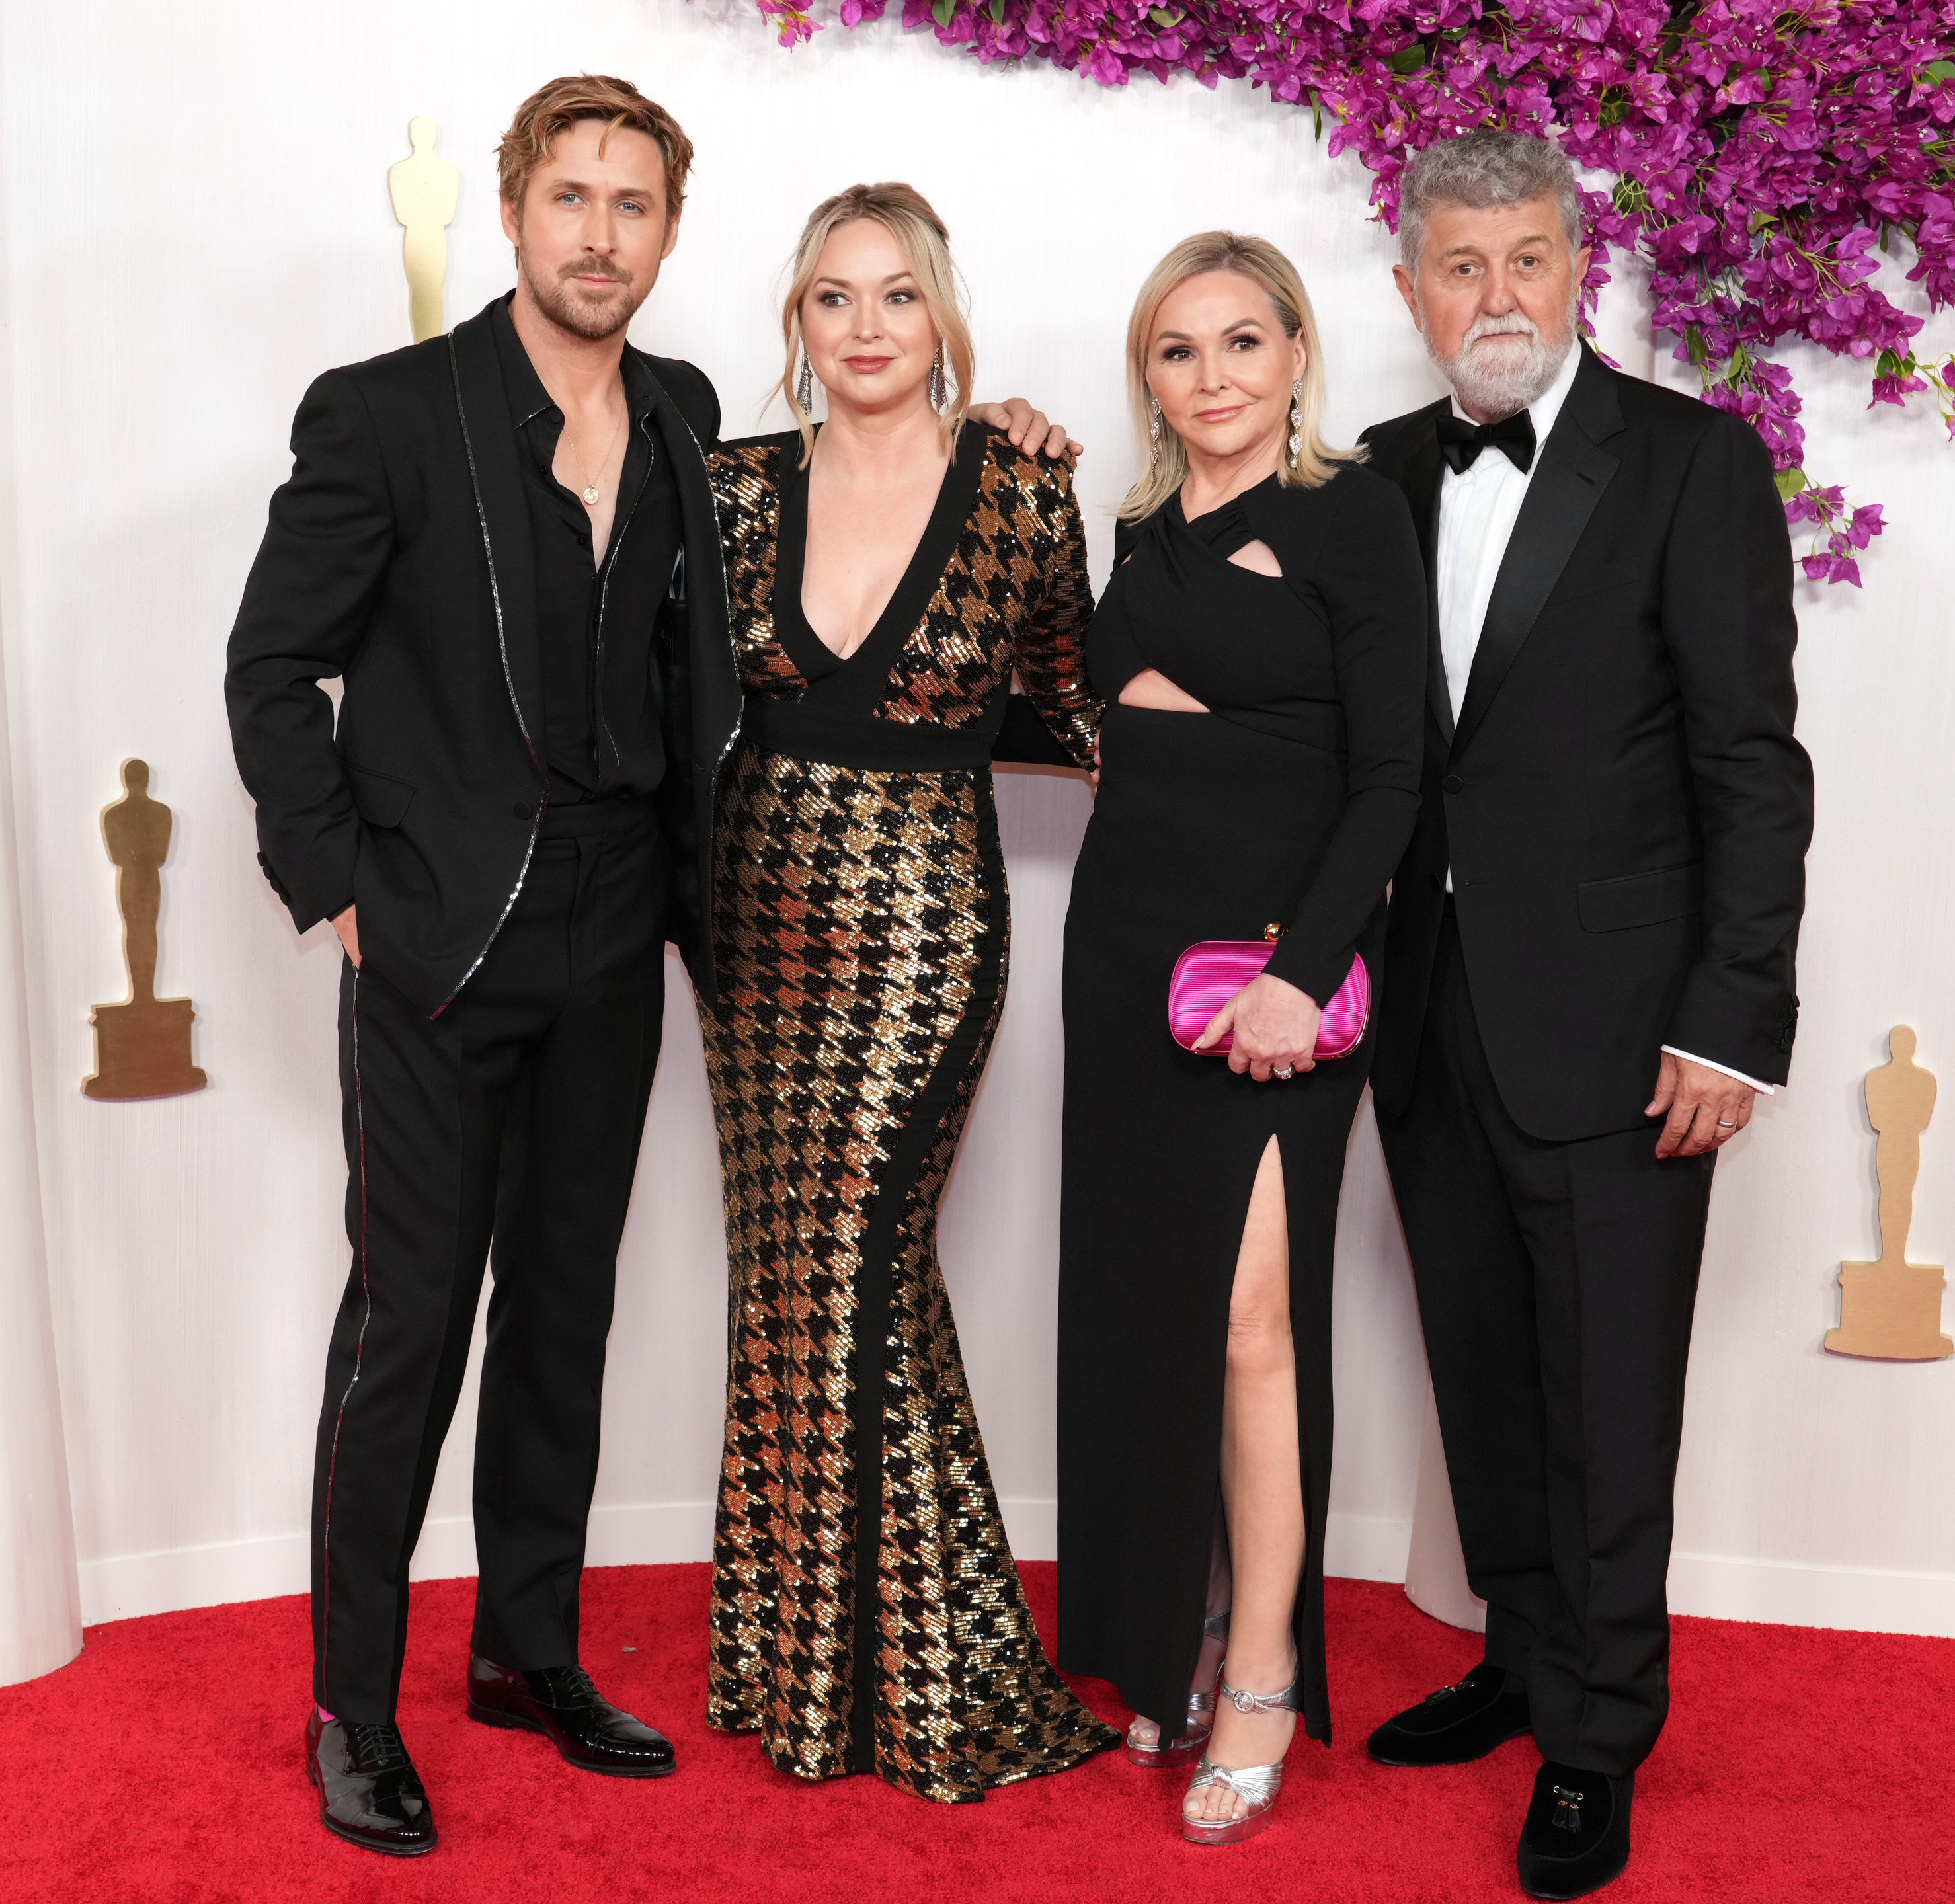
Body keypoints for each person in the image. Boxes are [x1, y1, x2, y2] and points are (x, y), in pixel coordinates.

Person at [223, 77, 1068, 1856]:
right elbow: (269, 670)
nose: (599, 233)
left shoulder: (691, 420)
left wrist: (997, 431)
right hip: (443, 943)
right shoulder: (388, 415)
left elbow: (867, 496)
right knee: (407, 1329)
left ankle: (525, 1647)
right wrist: (343, 896)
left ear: (668, 236)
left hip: (629, 934)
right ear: (519, 209)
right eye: (571, 196)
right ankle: (354, 1710)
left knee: (567, 1314)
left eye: (633, 206)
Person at [1357, 131, 1813, 1900]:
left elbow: (1748, 765)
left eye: (1527, 259)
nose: (1497, 297)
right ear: (1410, 293)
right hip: (1424, 1014)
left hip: (1628, 1028)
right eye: (1460, 266)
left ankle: (1599, 1736)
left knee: (1610, 1390)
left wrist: (1732, 1019)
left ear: (1578, 269)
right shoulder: (1377, 473)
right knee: (1484, 1364)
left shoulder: (1691, 464)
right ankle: (1523, 1654)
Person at [698, 182, 1117, 1804]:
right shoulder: (729, 488)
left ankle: (917, 1683)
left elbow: (1085, 713)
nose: (866, 329)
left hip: (928, 927)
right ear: (796, 324)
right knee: (791, 1281)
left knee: (860, 1262)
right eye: (832, 299)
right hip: (749, 933)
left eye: (897, 297)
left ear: (943, 316)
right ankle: (809, 1666)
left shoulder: (1021, 490)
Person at [1056, 232, 1431, 1844]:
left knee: (1253, 1329)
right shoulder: (1133, 527)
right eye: (1176, 351)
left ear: (1296, 356)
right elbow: (1091, 723)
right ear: (1149, 375)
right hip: (1125, 951)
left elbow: (1391, 778)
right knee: (1156, 1311)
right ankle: (1174, 1630)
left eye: (1240, 344)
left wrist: (1308, 967)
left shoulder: (1351, 514)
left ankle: (1266, 1668)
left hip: (1278, 973)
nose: (1212, 378)